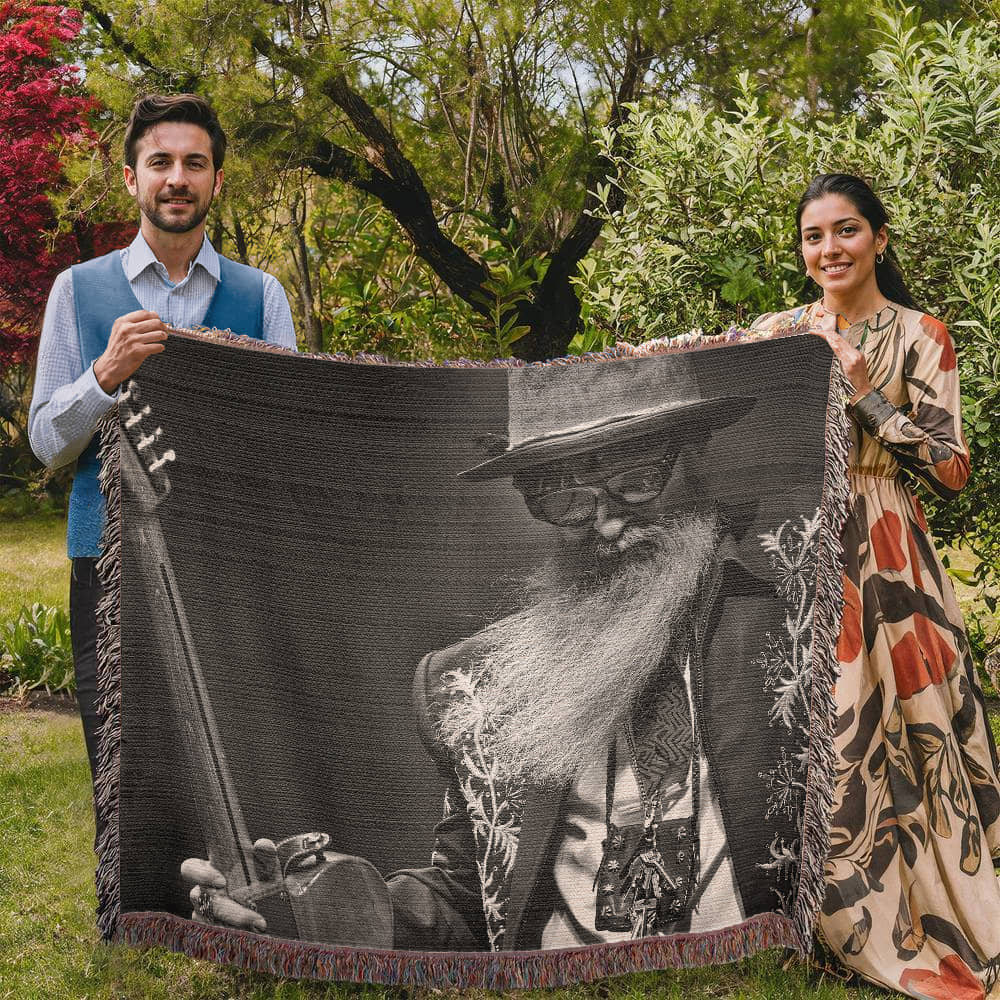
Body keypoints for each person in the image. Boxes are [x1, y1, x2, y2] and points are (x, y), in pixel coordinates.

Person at [183, 356, 815, 951]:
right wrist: (302, 907)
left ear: (697, 460)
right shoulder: (478, 683)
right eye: (568, 503)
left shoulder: (804, 626)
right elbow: (474, 895)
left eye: (638, 483)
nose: (608, 526)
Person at [750, 173, 1000, 998]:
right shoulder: (784, 330)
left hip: (889, 555)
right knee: (813, 731)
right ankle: (821, 917)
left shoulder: (922, 334)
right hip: (804, 548)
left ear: (880, 239)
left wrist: (860, 388)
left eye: (846, 231)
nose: (829, 249)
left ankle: (915, 908)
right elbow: (712, 376)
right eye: (814, 236)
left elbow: (953, 468)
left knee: (901, 725)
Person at [28, 93, 298, 817]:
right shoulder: (76, 291)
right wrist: (103, 377)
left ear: (215, 181)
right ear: (131, 179)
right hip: (106, 555)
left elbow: (286, 445)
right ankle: (133, 908)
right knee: (116, 734)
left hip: (224, 560)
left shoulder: (262, 295)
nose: (176, 177)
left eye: (194, 163)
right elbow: (47, 443)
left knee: (226, 743)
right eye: (160, 162)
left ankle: (221, 902)